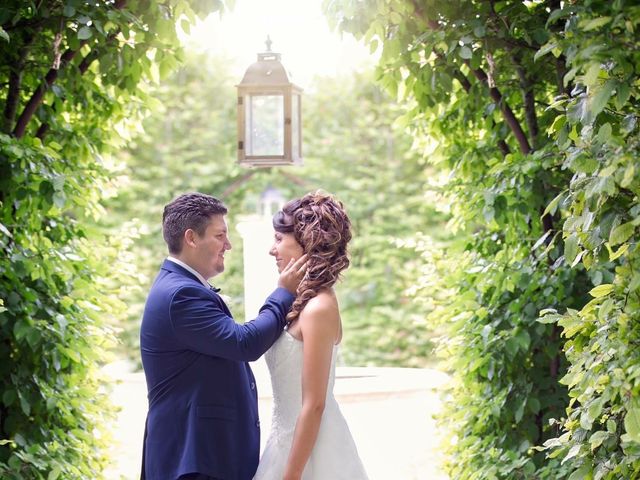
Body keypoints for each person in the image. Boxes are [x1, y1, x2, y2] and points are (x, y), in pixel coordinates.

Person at [140, 192, 307, 480]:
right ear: (191, 238)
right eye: (220, 236)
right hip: (193, 460)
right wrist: (284, 294)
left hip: (201, 456)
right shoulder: (181, 294)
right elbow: (244, 343)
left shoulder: (181, 286)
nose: (228, 245)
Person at [253, 191, 368, 480]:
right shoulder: (302, 301)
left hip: (312, 455)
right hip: (285, 442)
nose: (271, 249)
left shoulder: (319, 308)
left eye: (279, 239)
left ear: (307, 244)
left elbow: (315, 404)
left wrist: (290, 476)